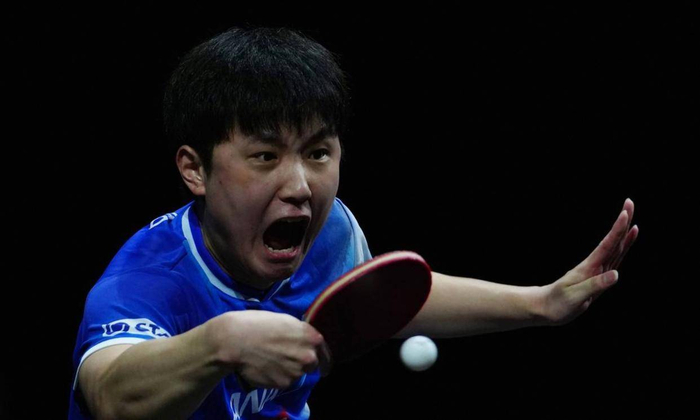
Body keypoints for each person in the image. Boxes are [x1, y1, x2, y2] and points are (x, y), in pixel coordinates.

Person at [69, 27, 639, 420]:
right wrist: (222, 343)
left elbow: (386, 298)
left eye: (318, 153)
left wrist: (542, 303)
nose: (300, 186)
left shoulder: (326, 234)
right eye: (265, 156)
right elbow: (111, 395)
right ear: (195, 169)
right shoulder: (146, 282)